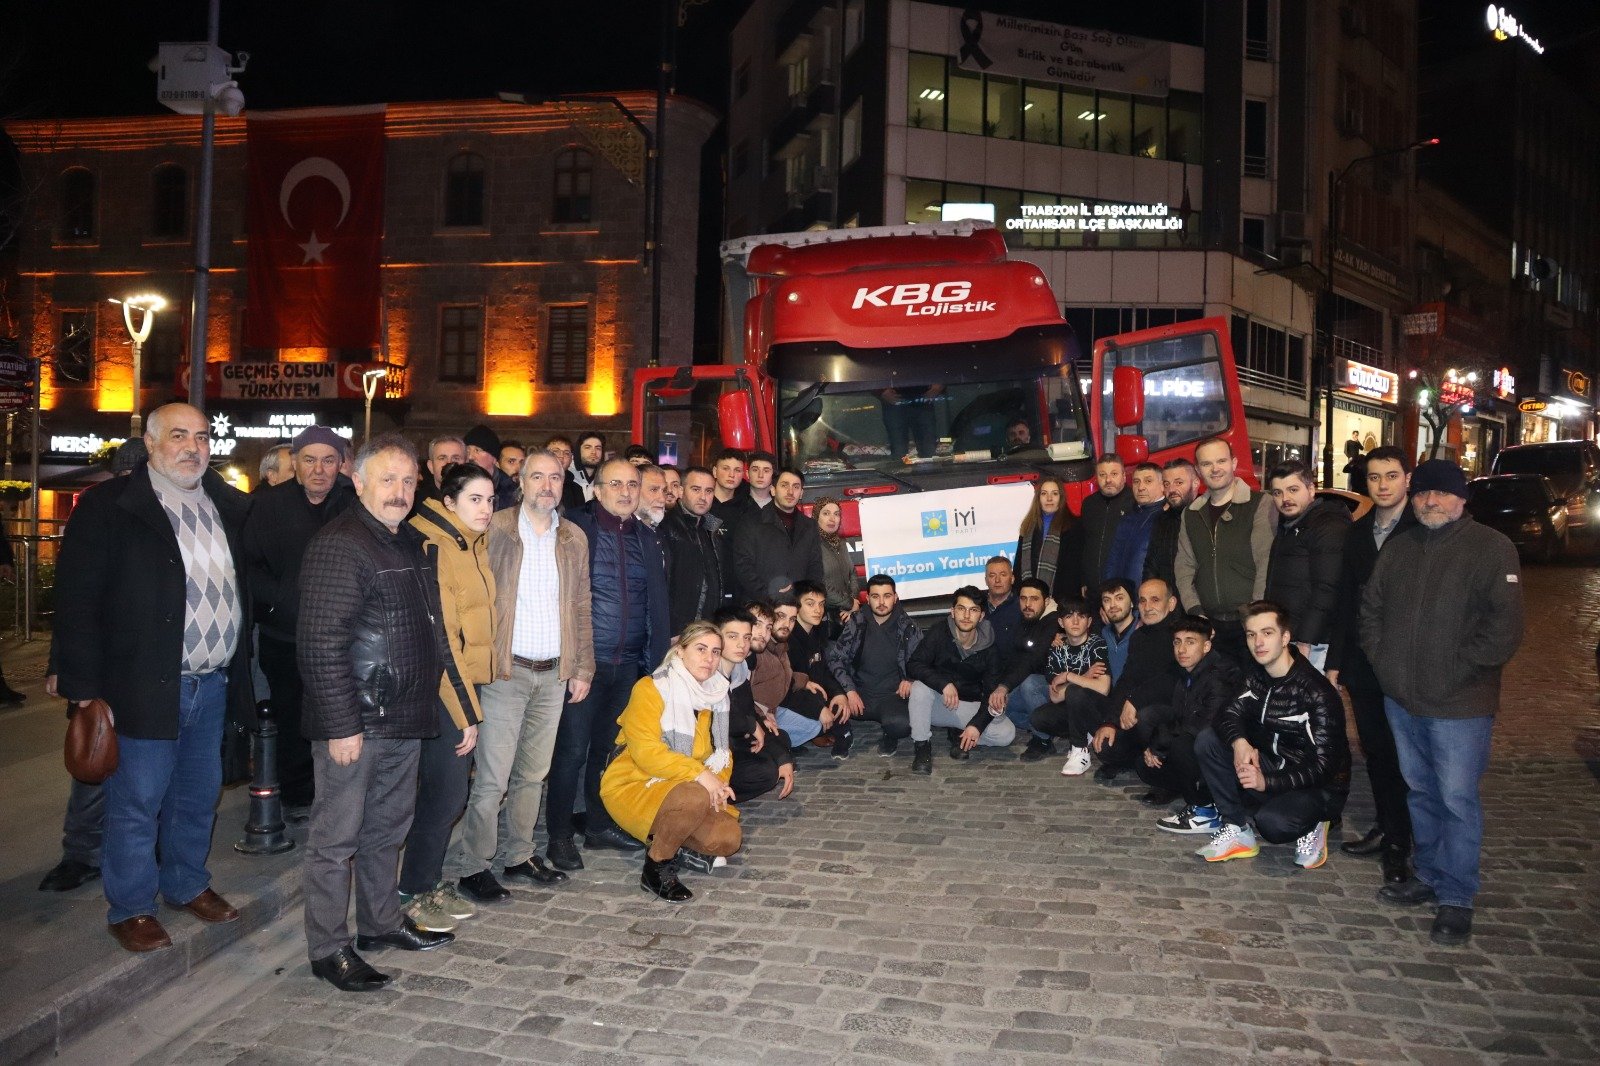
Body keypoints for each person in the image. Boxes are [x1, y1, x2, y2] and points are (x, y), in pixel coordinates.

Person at [54, 403, 252, 953]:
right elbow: (77, 599)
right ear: (150, 441)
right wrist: (84, 687)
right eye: (179, 436)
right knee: (138, 801)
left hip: (211, 682)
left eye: (203, 436)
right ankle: (132, 906)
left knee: (197, 794)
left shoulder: (225, 505)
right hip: (141, 684)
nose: (193, 447)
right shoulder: (112, 506)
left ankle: (186, 882)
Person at [299, 433, 454, 992]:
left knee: (388, 830)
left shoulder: (403, 541)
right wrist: (342, 725)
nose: (400, 490)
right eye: (387, 479)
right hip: (357, 722)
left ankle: (380, 924)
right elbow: (321, 642)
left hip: (402, 717)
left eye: (409, 480)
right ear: (357, 480)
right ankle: (327, 947)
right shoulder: (342, 543)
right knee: (335, 840)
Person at [1360, 459, 1524, 946]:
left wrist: (1459, 670)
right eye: (1423, 494)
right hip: (1403, 698)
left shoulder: (1492, 548)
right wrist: (1385, 664)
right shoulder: (1401, 547)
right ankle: (1430, 874)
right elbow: (1372, 611)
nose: (1430, 502)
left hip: (1460, 704)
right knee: (1421, 792)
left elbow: (1505, 628)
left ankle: (1456, 895)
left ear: (1462, 498)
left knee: (1456, 799)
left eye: (1441, 494)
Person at [446, 450, 592, 904]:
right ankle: (474, 866)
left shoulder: (574, 538)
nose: (547, 485)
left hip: (553, 674)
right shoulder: (496, 528)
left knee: (534, 774)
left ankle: (519, 855)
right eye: (537, 477)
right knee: (493, 778)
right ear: (521, 482)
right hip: (505, 673)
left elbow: (582, 605)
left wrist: (582, 666)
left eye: (555, 477)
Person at [546, 458, 668, 872]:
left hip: (629, 663)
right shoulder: (574, 530)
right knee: (571, 752)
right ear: (596, 489)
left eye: (633, 484)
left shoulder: (646, 537)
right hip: (586, 664)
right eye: (615, 483)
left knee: (607, 750)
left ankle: (598, 824)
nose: (625, 491)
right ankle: (559, 835)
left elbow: (656, 604)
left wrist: (653, 666)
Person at [38, 438, 148, 894]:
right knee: (93, 759)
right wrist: (61, 666)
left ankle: (120, 851)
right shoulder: (95, 512)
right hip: (99, 666)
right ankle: (81, 853)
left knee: (140, 765)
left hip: (144, 665)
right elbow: (74, 600)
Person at [395, 462, 496, 932]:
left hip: (459, 683)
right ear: (449, 501)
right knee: (445, 793)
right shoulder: (436, 545)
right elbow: (444, 640)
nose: (485, 509)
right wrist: (466, 711)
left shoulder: (466, 541)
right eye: (474, 499)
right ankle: (414, 888)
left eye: (491, 500)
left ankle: (426, 880)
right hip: (440, 688)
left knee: (447, 792)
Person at [241, 425, 357, 817]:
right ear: (295, 461)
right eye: (310, 460)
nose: (319, 469)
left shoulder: (355, 502)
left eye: (328, 460)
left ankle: (337, 792)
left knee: (338, 713)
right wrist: (279, 602)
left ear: (341, 463)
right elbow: (248, 566)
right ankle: (297, 793)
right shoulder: (267, 505)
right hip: (284, 634)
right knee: (290, 716)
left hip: (343, 637)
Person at [1193, 601, 1350, 871]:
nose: (1258, 643)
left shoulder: (1316, 692)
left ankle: (1317, 822)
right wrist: (1239, 742)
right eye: (1251, 635)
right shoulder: (1257, 676)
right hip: (1274, 767)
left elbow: (1326, 767)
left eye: (1267, 633)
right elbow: (1225, 714)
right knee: (1209, 740)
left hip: (1316, 786)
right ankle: (1237, 829)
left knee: (1273, 825)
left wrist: (1267, 782)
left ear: (1285, 637)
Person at [600, 622, 742, 903]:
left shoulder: (715, 695)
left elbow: (721, 752)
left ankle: (673, 840)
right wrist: (701, 775)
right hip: (635, 783)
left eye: (715, 651)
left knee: (728, 838)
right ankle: (657, 866)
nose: (709, 658)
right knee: (693, 795)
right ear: (679, 651)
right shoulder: (651, 688)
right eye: (700, 649)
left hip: (684, 785)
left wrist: (719, 782)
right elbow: (647, 753)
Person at [1327, 446, 1415, 879]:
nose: (1382, 485)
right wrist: (1338, 660)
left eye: (1391, 476)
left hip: (1408, 663)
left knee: (1408, 755)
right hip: (1363, 663)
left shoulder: (1422, 529)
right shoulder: (1358, 532)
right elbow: (1346, 601)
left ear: (1407, 479)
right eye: (1375, 477)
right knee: (1376, 750)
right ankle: (1387, 826)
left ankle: (1406, 838)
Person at [1175, 437, 1275, 665]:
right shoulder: (1191, 514)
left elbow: (1265, 562)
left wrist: (1255, 615)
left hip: (1249, 624)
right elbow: (1184, 566)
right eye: (1207, 464)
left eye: (1221, 461)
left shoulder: (1260, 504)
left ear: (1234, 462)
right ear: (1198, 470)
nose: (1215, 469)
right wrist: (1195, 610)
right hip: (1208, 623)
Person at [1146, 617, 1243, 833]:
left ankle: (1205, 810)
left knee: (1181, 745)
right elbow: (1182, 715)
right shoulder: (1187, 672)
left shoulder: (1220, 674)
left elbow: (1207, 724)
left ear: (1206, 646)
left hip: (1225, 753)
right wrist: (1155, 746)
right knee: (1147, 766)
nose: (1182, 649)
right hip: (1201, 744)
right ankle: (1191, 793)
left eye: (1190, 642)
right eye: (1177, 642)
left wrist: (1161, 740)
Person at [905, 586, 1014, 773]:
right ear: (952, 612)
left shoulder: (990, 647)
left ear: (981, 616)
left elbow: (990, 691)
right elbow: (915, 664)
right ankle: (922, 746)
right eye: (961, 609)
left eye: (973, 610)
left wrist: (975, 726)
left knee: (1006, 734)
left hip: (967, 706)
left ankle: (961, 734)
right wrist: (943, 684)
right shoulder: (939, 632)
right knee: (920, 689)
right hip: (939, 702)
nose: (966, 615)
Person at [1085, 578, 1184, 782]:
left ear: (1171, 603)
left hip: (1173, 712)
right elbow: (1128, 679)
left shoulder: (1182, 634)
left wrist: (1134, 701)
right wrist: (1110, 722)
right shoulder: (1140, 637)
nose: (1147, 607)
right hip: (1139, 710)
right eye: (1143, 601)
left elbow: (1174, 678)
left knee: (1147, 716)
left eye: (1155, 600)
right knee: (1104, 747)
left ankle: (1167, 779)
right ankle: (1141, 757)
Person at [1263, 460, 1349, 673]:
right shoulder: (1290, 525)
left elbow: (1327, 588)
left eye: (1293, 490)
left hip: (1312, 645)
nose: (1285, 499)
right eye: (1277, 493)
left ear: (1311, 489)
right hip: (1290, 637)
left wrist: (1305, 641)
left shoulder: (1327, 526)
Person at [825, 574, 921, 756]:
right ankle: (844, 734)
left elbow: (923, 660)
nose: (882, 602)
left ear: (895, 597)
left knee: (902, 726)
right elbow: (836, 658)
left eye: (887, 596)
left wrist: (911, 678)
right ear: (867, 599)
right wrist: (849, 691)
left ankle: (889, 733)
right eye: (876, 596)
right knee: (829, 697)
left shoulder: (908, 626)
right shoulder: (856, 622)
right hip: (858, 696)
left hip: (892, 697)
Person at [716, 607, 795, 804]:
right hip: (712, 750)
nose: (741, 644)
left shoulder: (740, 669)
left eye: (746, 637)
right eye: (732, 637)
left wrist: (783, 758)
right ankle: (715, 796)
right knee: (766, 773)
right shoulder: (708, 671)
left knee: (780, 740)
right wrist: (751, 726)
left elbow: (749, 710)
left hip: (735, 741)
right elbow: (722, 718)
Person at [1026, 598, 1110, 775]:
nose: (1075, 621)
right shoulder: (1057, 650)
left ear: (1089, 621)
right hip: (1071, 705)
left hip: (1097, 707)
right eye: (1069, 616)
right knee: (1038, 717)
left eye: (1081, 616)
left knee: (1074, 692)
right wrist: (1084, 677)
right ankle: (1083, 732)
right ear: (1060, 622)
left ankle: (1079, 749)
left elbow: (1103, 688)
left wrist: (1068, 676)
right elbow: (1056, 696)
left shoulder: (1097, 645)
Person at [984, 577, 1059, 760]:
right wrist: (998, 688)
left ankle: (1043, 739)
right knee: (1001, 705)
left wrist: (1004, 686)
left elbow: (1032, 660)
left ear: (1046, 601)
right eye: (1023, 598)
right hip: (1035, 689)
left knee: (1029, 684)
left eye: (1034, 599)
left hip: (1058, 689)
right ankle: (1046, 727)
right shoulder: (1024, 620)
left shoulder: (1054, 622)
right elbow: (1015, 658)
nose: (1027, 604)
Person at [731, 467, 825, 601]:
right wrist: (769, 595)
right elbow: (743, 567)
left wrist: (805, 596)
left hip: (797, 606)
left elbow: (815, 566)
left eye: (796, 487)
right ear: (773, 490)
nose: (790, 492)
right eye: (784, 485)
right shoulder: (750, 522)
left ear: (801, 493)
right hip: (762, 607)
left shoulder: (809, 526)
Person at [659, 465, 732, 636]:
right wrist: (671, 630)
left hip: (708, 627)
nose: (703, 497)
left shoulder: (711, 529)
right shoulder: (666, 528)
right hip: (678, 632)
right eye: (696, 489)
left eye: (708, 491)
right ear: (681, 491)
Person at [751, 600, 828, 748]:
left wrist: (804, 681)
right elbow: (740, 695)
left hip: (773, 710)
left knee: (812, 726)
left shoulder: (782, 646)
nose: (787, 624)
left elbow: (782, 676)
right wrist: (760, 715)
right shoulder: (756, 650)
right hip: (755, 715)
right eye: (781, 616)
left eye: (792, 619)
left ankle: (779, 745)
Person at [786, 580, 850, 753]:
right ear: (797, 607)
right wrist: (818, 708)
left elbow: (824, 671)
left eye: (821, 604)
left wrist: (838, 694)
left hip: (814, 695)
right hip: (790, 700)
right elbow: (785, 687)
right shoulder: (787, 638)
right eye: (810, 604)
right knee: (829, 721)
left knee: (841, 708)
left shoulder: (816, 633)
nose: (818, 610)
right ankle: (790, 740)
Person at [1014, 476, 1085, 605]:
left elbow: (1073, 573)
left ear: (1061, 498)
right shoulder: (1028, 526)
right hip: (1029, 603)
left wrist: (1057, 602)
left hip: (1059, 601)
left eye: (1055, 494)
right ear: (1038, 498)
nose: (1049, 498)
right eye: (1044, 494)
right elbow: (1018, 568)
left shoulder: (1074, 526)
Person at [1144, 458, 1199, 610]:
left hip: (1197, 607)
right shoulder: (1161, 520)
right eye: (1167, 484)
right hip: (1167, 607)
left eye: (1179, 482)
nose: (1172, 489)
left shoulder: (1205, 518)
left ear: (1195, 483)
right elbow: (1151, 563)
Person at [1104, 461, 1165, 586]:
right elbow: (1112, 561)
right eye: (1136, 482)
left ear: (1162, 485)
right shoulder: (1126, 518)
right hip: (1120, 598)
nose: (1141, 487)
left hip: (1148, 599)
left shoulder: (1167, 518)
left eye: (1148, 481)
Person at [1081, 453, 1133, 589]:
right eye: (1102, 475)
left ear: (1124, 476)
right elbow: (1084, 545)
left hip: (1123, 588)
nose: (1108, 480)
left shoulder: (1135, 503)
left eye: (1114, 474)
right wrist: (1083, 580)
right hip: (1092, 587)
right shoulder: (1089, 504)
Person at [814, 497, 860, 628]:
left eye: (836, 514)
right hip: (825, 620)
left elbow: (852, 573)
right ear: (816, 516)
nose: (832, 519)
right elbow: (820, 584)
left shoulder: (842, 543)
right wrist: (849, 603)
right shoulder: (812, 545)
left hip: (849, 616)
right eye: (826, 513)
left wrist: (853, 602)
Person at [463, 424, 519, 512]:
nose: (470, 457)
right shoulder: (457, 484)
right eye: (467, 450)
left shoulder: (510, 492)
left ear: (494, 458)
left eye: (477, 450)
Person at [981, 555, 1020, 651]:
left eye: (1003, 575)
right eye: (992, 575)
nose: (997, 580)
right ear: (986, 580)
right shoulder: (976, 606)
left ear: (1012, 579)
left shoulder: (1023, 607)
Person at [709, 447, 752, 530]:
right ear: (715, 471)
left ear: (743, 474)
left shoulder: (748, 505)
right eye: (725, 468)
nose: (731, 475)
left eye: (737, 470)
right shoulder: (703, 500)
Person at [419, 435, 466, 505]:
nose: (449, 463)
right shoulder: (418, 504)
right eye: (442, 458)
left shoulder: (478, 499)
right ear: (431, 466)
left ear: (466, 464)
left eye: (456, 458)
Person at [545, 434, 587, 512]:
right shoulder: (534, 482)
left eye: (566, 453)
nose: (561, 456)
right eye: (556, 451)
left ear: (571, 459)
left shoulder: (576, 489)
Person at [571, 431, 605, 503]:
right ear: (578, 450)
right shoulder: (568, 476)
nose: (593, 452)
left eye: (598, 448)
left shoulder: (605, 477)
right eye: (587, 447)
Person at [635, 463, 668, 530]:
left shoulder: (667, 528)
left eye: (664, 490)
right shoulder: (621, 532)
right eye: (653, 490)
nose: (662, 499)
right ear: (635, 492)